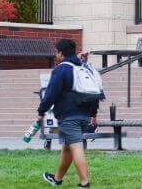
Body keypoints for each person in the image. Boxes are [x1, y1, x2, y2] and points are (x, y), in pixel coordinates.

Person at [38, 39, 100, 187]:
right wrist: (93, 113)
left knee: (76, 147)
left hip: (68, 116)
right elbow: (95, 90)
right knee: (68, 147)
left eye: (56, 51)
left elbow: (51, 93)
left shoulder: (61, 69)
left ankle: (84, 183)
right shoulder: (83, 68)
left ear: (60, 52)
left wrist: (41, 110)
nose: (56, 54)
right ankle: (57, 179)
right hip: (84, 114)